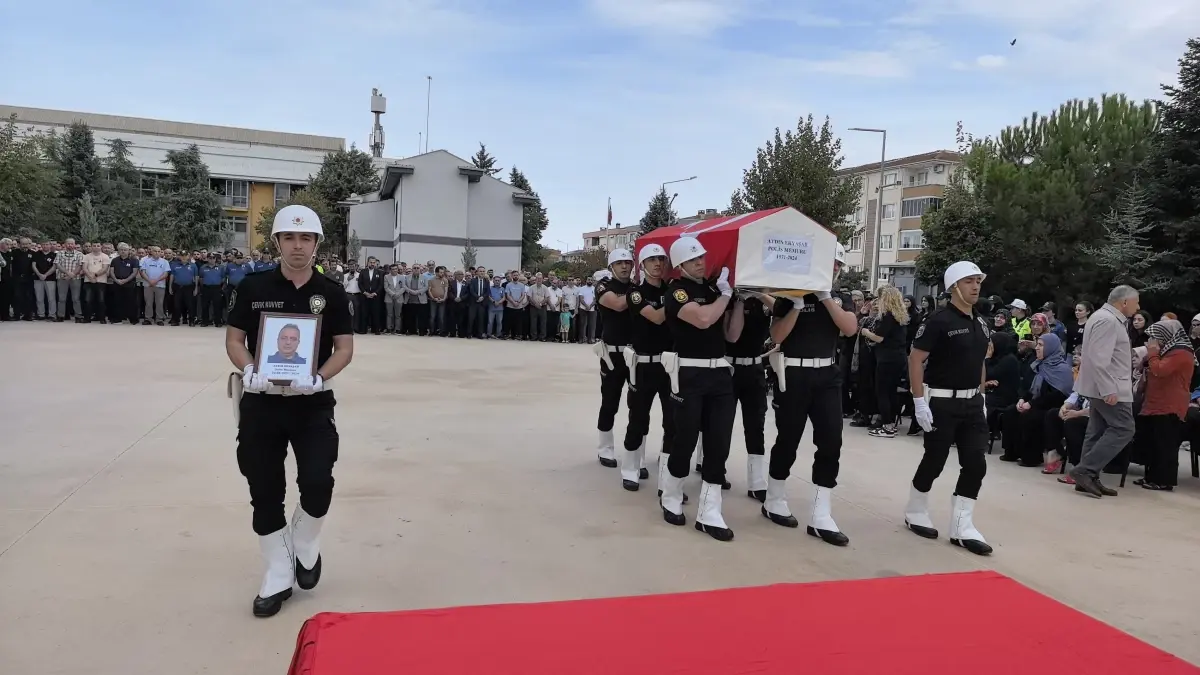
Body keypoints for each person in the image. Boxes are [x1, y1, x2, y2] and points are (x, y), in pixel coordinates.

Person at [226, 204, 354, 618]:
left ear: (316, 244)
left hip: (312, 403)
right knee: (264, 489)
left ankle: (305, 540)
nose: (297, 246)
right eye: (289, 238)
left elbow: (344, 349)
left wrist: (318, 377)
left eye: (306, 238)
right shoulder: (253, 286)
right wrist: (248, 369)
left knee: (318, 482)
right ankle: (278, 572)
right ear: (277, 242)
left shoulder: (331, 292)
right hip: (262, 403)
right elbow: (234, 339)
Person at [764, 243, 858, 546]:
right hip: (794, 373)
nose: (832, 269)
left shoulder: (839, 298)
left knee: (831, 440)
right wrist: (796, 304)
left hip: (827, 374)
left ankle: (821, 513)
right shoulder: (789, 295)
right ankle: (774, 498)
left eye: (837, 266)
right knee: (788, 438)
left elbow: (849, 328)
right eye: (828, 263)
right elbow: (777, 335)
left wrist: (826, 298)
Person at [905, 261, 992, 556]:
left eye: (978, 281)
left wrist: (982, 399)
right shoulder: (938, 321)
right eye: (969, 281)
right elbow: (916, 359)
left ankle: (961, 526)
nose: (976, 286)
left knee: (976, 464)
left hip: (972, 402)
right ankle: (916, 509)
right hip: (941, 401)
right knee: (936, 459)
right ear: (954, 286)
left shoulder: (981, 322)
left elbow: (980, 362)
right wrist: (919, 401)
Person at [660, 237, 735, 541]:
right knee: (685, 438)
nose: (700, 262)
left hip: (719, 373)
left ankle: (710, 511)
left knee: (719, 442)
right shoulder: (677, 292)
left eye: (701, 257)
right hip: (689, 372)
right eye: (692, 260)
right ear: (680, 265)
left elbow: (731, 333)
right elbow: (703, 319)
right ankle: (671, 494)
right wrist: (726, 297)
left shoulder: (715, 290)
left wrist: (736, 300)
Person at [1069, 285, 1139, 498]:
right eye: (1136, 302)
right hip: (1109, 388)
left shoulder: (1106, 318)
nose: (1139, 307)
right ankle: (1086, 470)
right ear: (1124, 302)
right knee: (1124, 428)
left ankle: (1088, 476)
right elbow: (1099, 359)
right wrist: (1108, 388)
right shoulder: (1107, 320)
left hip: (1103, 386)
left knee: (1097, 431)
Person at [620, 244, 674, 491]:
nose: (658, 264)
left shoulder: (673, 290)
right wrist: (676, 302)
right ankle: (631, 467)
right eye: (652, 259)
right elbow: (656, 317)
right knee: (638, 418)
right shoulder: (635, 293)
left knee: (673, 422)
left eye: (661, 259)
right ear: (641, 264)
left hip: (670, 365)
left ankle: (667, 475)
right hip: (643, 365)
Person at [724, 288, 774, 502]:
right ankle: (712, 466)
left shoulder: (763, 299)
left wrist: (761, 294)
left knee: (756, 425)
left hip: (754, 368)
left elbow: (781, 310)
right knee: (720, 423)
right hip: (728, 366)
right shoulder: (729, 296)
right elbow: (731, 336)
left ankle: (756, 481)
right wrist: (738, 299)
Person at [1132, 319, 1195, 491]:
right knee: (1153, 442)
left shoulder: (1182, 352)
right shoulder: (1168, 350)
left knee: (1165, 443)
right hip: (1156, 401)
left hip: (1170, 404)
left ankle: (1164, 480)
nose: (1153, 340)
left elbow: (1160, 370)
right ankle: (1151, 476)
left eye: (1156, 337)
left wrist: (1152, 352)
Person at [593, 249, 635, 468]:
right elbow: (618, 305)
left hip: (635, 354)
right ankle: (605, 447)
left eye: (628, 262)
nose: (625, 266)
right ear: (611, 267)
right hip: (612, 353)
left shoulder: (637, 287)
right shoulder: (603, 286)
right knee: (610, 401)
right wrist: (639, 294)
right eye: (619, 263)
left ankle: (634, 451)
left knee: (637, 405)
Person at [859, 285, 910, 438]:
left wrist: (865, 332)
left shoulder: (888, 316)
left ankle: (887, 426)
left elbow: (879, 338)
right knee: (891, 392)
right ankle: (890, 424)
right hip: (898, 357)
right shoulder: (900, 316)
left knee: (882, 392)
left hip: (887, 358)